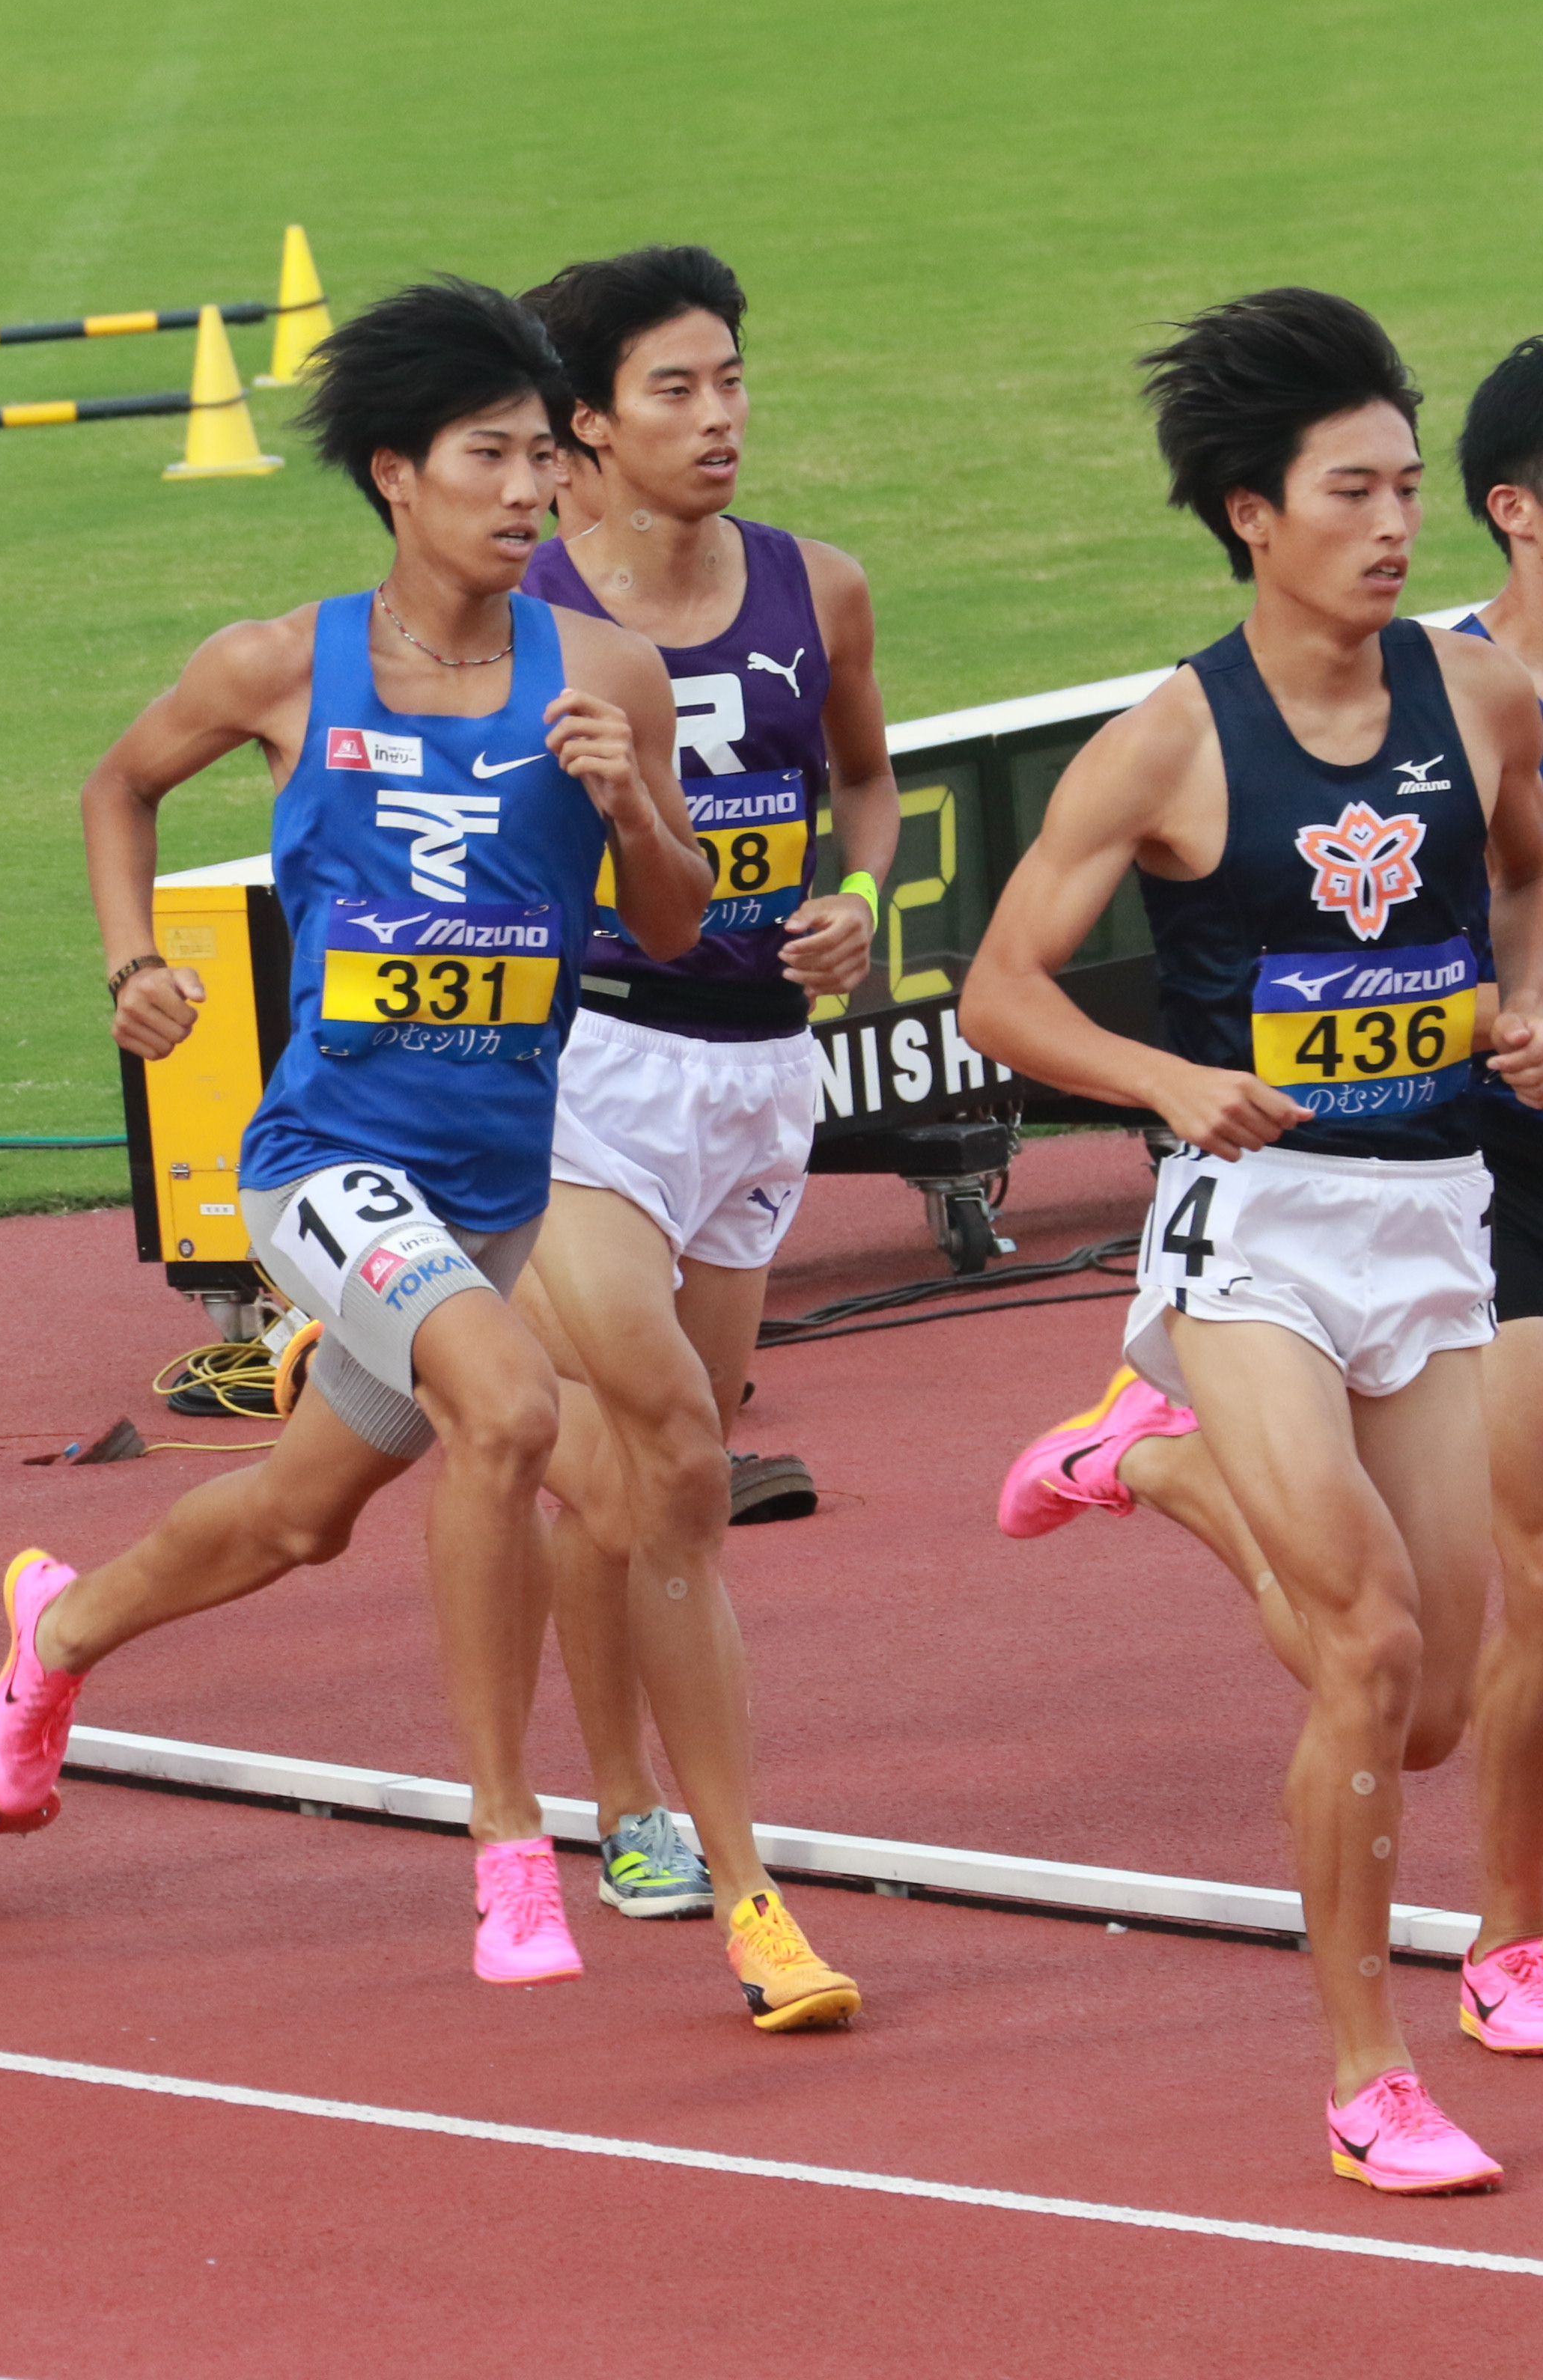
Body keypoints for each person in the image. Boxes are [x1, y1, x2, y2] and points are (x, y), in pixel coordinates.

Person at [0, 279, 747, 2007]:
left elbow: (675, 911)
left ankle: (56, 1637)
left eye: (543, 458)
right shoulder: (281, 663)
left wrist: (628, 798)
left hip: (487, 1181)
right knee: (510, 1406)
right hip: (320, 1158)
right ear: (395, 475)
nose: (526, 490)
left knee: (294, 1516)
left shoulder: (605, 671)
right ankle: (505, 1845)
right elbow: (118, 788)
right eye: (488, 457)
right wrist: (130, 964)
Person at [961, 288, 1543, 2194]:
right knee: (1366, 1649)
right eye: (1347, 491)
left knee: (1442, 1705)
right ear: (1246, 512)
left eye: (1402, 489)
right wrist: (1152, 1076)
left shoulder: (1476, 699)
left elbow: (1529, 870)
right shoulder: (1164, 743)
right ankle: (1365, 2074)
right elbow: (994, 994)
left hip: (1432, 1222)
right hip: (1254, 1243)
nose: (1391, 526)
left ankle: (1160, 1472)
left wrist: (1524, 997)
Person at [505, 247, 896, 1980]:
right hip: (577, 1062)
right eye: (672, 389)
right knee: (648, 1444)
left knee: (677, 1474)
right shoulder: (511, 613)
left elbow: (865, 784)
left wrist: (857, 902)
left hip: (750, 1073)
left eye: (728, 378)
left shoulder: (818, 588)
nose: (718, 415)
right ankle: (629, 1807)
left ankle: (645, 1793)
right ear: (579, 426)